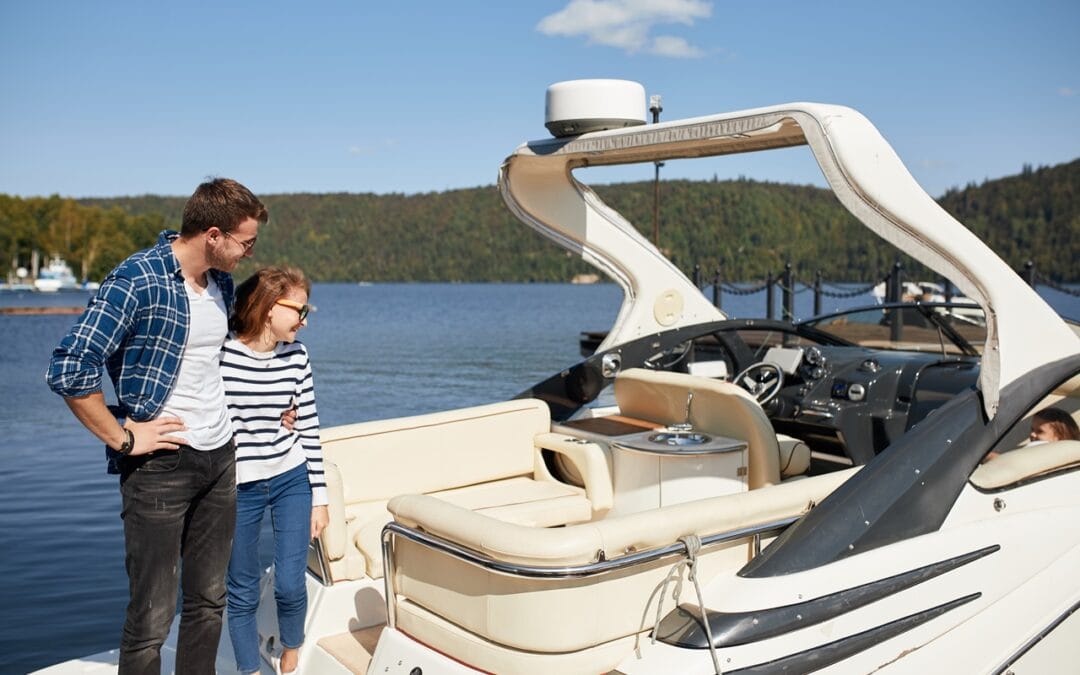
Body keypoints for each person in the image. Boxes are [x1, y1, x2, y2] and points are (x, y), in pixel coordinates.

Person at [47, 178, 268, 674]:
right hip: (159, 467)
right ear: (214, 234)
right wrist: (124, 436)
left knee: (210, 602)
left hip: (220, 458)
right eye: (246, 242)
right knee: (152, 617)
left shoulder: (220, 282)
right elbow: (69, 367)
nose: (250, 253)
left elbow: (212, 362)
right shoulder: (137, 279)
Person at [220, 266, 328, 675]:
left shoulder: (297, 355)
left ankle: (292, 646)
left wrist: (320, 498)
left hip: (291, 479)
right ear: (268, 307)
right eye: (299, 310)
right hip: (238, 487)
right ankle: (248, 668)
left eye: (307, 311)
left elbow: (309, 426)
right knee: (243, 588)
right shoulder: (224, 356)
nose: (304, 320)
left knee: (289, 582)